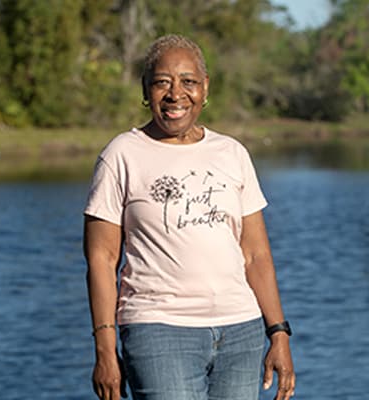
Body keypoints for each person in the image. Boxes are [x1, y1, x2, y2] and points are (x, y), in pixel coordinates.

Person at [83, 34, 295, 400]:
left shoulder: (232, 153)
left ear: (205, 88)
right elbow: (101, 259)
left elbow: (256, 255)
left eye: (188, 81)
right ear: (146, 90)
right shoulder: (122, 155)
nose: (175, 93)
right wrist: (105, 349)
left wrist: (278, 332)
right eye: (162, 82)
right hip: (159, 331)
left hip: (240, 332)